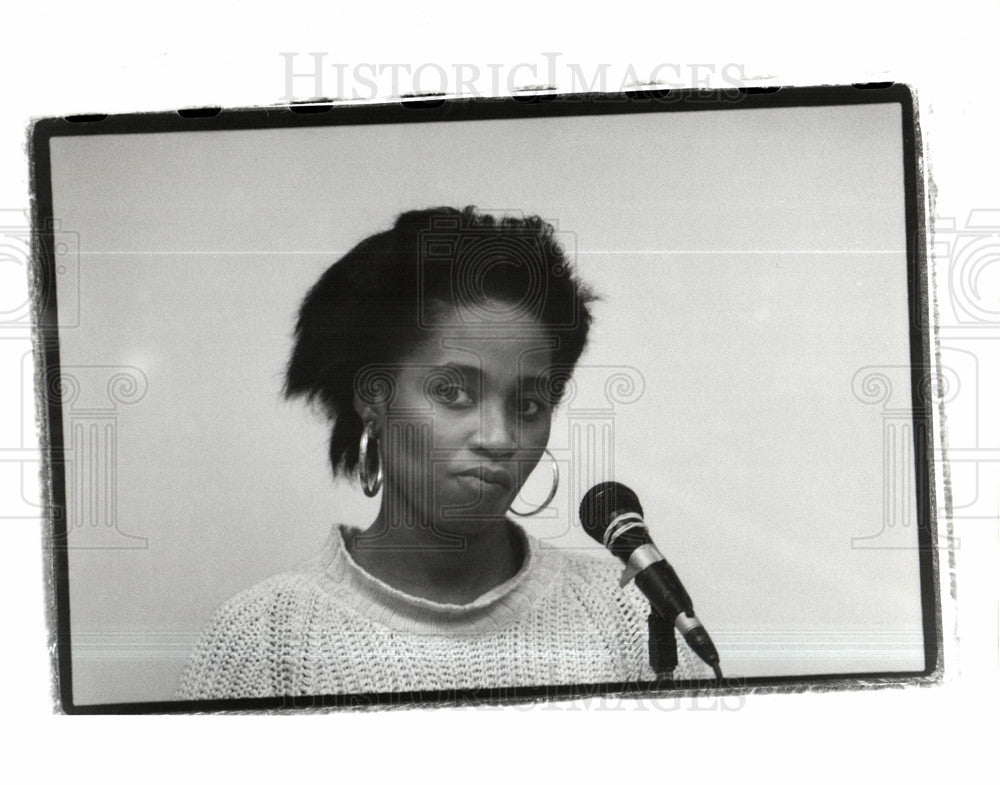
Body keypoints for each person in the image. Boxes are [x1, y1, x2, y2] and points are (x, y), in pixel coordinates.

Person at [177, 206, 709, 701]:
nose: (499, 438)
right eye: (453, 393)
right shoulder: (263, 639)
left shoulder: (629, 613)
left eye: (527, 403)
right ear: (374, 397)